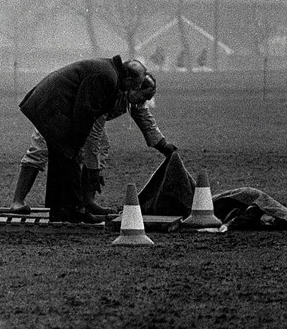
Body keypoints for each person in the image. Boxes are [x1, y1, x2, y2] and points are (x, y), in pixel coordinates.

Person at [9, 72, 177, 215]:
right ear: (134, 87)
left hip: (83, 118)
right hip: (59, 109)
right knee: (41, 149)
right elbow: (93, 135)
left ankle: (87, 201)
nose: (144, 102)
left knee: (101, 148)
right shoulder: (109, 90)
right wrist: (93, 170)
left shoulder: (131, 95)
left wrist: (163, 145)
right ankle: (18, 201)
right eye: (145, 96)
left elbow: (144, 118)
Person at [17, 56, 148, 223]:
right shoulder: (107, 77)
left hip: (52, 102)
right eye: (135, 85)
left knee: (63, 155)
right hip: (53, 105)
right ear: (128, 78)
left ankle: (60, 211)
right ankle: (75, 211)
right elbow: (85, 111)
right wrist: (78, 144)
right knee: (69, 155)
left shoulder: (110, 73)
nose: (134, 89)